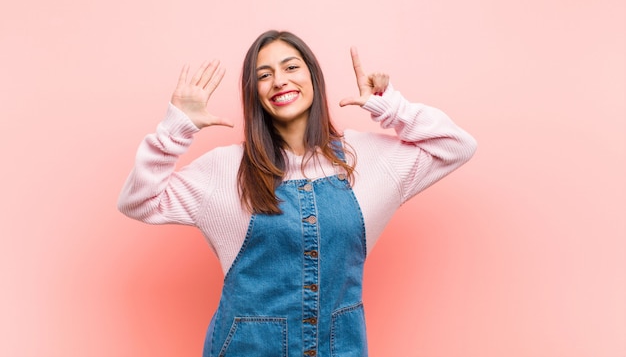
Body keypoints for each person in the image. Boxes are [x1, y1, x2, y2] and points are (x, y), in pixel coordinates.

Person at [118, 30, 477, 357]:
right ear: (254, 93)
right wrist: (175, 129)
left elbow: (457, 145)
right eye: (264, 75)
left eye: (291, 66)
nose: (279, 81)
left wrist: (390, 107)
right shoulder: (225, 170)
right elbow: (138, 201)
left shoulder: (366, 159)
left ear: (313, 77)